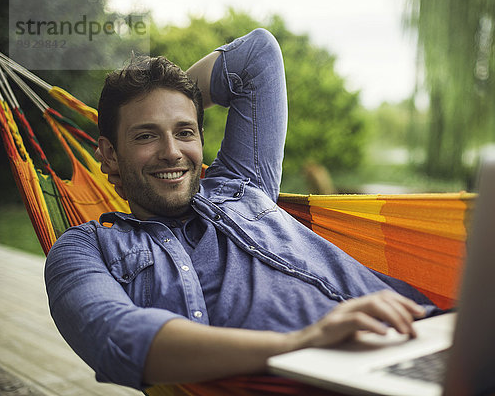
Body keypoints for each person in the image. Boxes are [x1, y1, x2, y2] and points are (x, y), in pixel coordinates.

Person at [45, 28, 440, 391]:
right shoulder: (85, 249)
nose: (172, 152)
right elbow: (118, 340)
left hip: (425, 333)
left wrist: (164, 93)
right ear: (109, 153)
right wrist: (304, 342)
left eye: (185, 132)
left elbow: (257, 55)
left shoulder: (242, 182)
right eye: (146, 136)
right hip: (331, 381)